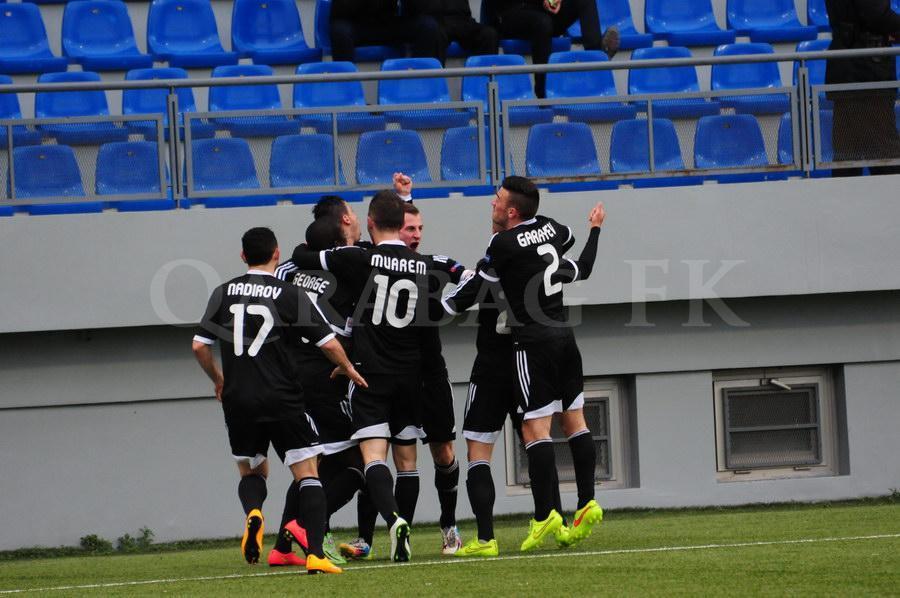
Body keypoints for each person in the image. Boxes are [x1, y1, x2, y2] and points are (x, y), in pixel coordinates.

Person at [288, 191, 455, 562]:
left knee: (372, 458)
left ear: (370, 222)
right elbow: (453, 292)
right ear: (402, 225)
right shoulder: (423, 265)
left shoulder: (360, 258)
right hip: (412, 376)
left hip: (370, 373)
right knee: (407, 462)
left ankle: (392, 521)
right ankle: (403, 531)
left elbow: (304, 256)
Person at [191, 227, 367, 575]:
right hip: (283, 397)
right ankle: (314, 553)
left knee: (253, 470)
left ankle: (254, 513)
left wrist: (219, 380)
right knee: (308, 472)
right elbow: (328, 343)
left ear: (243, 256)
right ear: (276, 253)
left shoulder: (222, 292)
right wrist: (348, 368)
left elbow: (199, 346)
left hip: (238, 398)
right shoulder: (288, 293)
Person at [444, 176, 606, 552]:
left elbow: (474, 288)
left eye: (498, 199)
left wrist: (438, 306)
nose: (493, 203)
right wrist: (595, 229)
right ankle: (582, 504)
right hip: (563, 338)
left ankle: (501, 532)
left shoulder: (501, 249)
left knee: (518, 437)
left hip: (517, 352)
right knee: (571, 422)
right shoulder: (550, 231)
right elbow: (575, 257)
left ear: (512, 211)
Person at [395, 200, 468, 555]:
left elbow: (468, 277)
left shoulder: (432, 263)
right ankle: (400, 535)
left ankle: (449, 526)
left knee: (444, 452)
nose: (417, 234)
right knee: (401, 459)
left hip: (432, 373)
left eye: (420, 228)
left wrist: (447, 305)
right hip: (396, 375)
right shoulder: (377, 264)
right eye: (410, 228)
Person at [825, 0, 900, 177]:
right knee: (884, 154)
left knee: (847, 154)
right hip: (867, 71)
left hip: (847, 67)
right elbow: (878, 16)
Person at [484, 0, 619, 97]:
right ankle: (543, 93)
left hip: (541, 11)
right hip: (509, 15)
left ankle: (597, 57)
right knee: (542, 23)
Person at [330, 0, 441, 63]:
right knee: (340, 31)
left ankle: (421, 84)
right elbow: (339, 11)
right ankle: (345, 88)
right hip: (359, 26)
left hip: (391, 23)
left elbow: (420, 9)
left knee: (428, 26)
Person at [405, 0, 499, 65]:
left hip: (460, 18)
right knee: (432, 31)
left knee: (489, 34)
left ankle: (485, 85)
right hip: (429, 18)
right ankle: (433, 86)